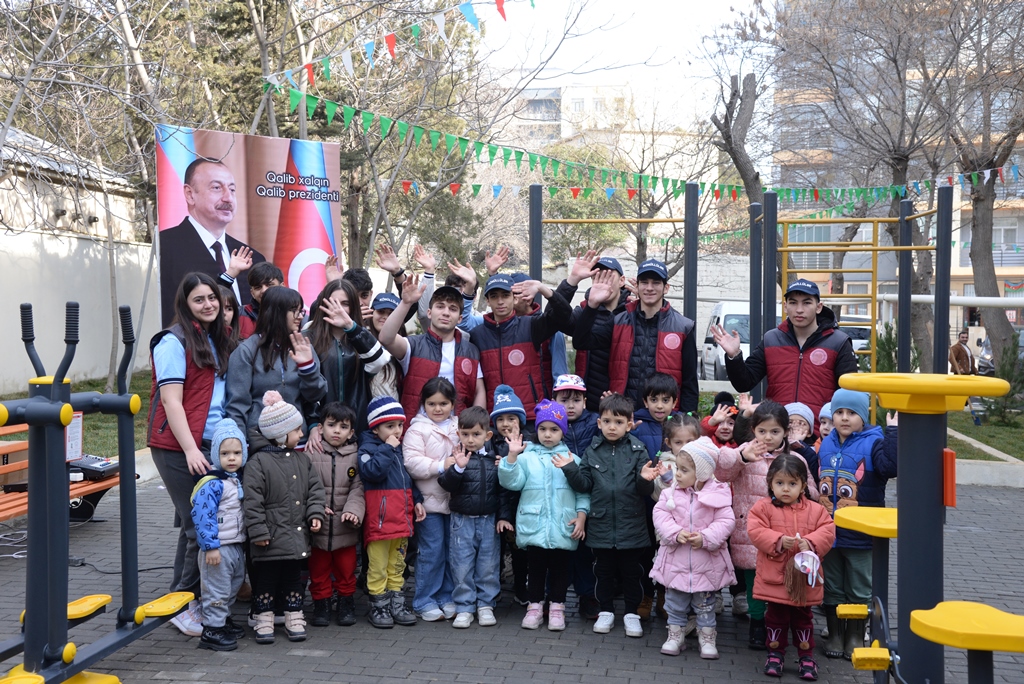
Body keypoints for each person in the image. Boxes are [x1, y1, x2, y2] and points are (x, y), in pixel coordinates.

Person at [148, 272, 236, 637]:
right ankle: (183, 604)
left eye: (212, 298)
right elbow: (171, 401)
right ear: (185, 305)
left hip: (208, 444)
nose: (208, 305)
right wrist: (188, 449)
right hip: (178, 447)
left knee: (197, 525)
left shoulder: (214, 337)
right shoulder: (172, 342)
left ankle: (190, 598)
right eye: (199, 300)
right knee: (197, 527)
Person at [556, 393, 659, 638]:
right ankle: (606, 611)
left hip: (631, 524)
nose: (612, 427)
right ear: (599, 423)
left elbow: (643, 490)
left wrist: (645, 479)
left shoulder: (638, 449)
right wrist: (570, 469)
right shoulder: (592, 451)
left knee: (631, 573)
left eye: (619, 422)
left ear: (629, 424)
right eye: (607, 421)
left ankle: (632, 614)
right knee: (602, 572)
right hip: (601, 525)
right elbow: (584, 485)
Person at [715, 400, 814, 650]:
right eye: (762, 431)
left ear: (785, 432)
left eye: (774, 431)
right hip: (751, 534)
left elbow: (811, 491)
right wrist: (741, 458)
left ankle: (780, 624)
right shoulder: (744, 451)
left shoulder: (796, 459)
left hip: (787, 535)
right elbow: (721, 473)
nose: (767, 437)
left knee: (782, 581)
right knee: (755, 583)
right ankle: (757, 624)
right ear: (753, 429)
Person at [817, 389, 898, 660]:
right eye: (839, 412)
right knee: (833, 586)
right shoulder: (827, 443)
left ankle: (855, 635)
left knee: (859, 587)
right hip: (830, 532)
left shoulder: (874, 443)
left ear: (863, 417)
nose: (844, 418)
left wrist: (893, 432)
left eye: (851, 413)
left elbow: (891, 467)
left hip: (861, 533)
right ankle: (835, 635)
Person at [713, 279, 858, 429]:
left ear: (819, 307)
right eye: (793, 303)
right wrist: (734, 356)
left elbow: (850, 394)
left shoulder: (838, 342)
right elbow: (744, 383)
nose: (799, 309)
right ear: (785, 306)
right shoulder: (771, 339)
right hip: (776, 432)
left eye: (807, 303)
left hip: (820, 433)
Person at [498, 399, 590, 631]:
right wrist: (511, 457)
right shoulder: (526, 458)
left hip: (563, 526)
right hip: (535, 525)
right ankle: (535, 607)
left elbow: (582, 492)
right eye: (542, 429)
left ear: (563, 431)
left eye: (554, 429)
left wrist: (581, 516)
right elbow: (512, 483)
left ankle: (558, 607)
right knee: (536, 569)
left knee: (561, 570)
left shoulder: (573, 459)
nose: (547, 434)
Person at [243, 391, 326, 644]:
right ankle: (264, 617)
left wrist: (315, 513)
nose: (301, 434)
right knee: (266, 579)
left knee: (293, 579)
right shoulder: (258, 463)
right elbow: (252, 501)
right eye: (296, 430)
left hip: (296, 536)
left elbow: (315, 490)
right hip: (268, 537)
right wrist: (257, 531)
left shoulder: (303, 460)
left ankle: (294, 614)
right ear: (281, 435)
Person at [747, 454, 836, 680]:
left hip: (804, 578)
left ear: (803, 486)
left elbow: (828, 530)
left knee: (803, 617)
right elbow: (755, 531)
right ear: (770, 483)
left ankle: (806, 655)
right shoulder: (763, 507)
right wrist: (777, 540)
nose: (786, 489)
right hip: (775, 578)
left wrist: (812, 542)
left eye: (792, 484)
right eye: (780, 483)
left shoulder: (816, 510)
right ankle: (775, 653)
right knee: (775, 616)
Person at [575, 260, 699, 413]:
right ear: (637, 286)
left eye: (656, 283)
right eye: (644, 282)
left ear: (666, 288)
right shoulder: (619, 321)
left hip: (664, 419)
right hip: (623, 416)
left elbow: (690, 382)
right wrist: (592, 304)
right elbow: (581, 342)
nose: (649, 288)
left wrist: (686, 418)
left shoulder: (683, 327)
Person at [651, 438, 735, 659]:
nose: (677, 474)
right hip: (676, 559)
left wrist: (706, 537)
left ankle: (707, 637)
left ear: (702, 473)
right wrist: (674, 533)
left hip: (706, 563)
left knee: (706, 604)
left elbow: (726, 521)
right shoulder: (670, 493)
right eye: (678, 468)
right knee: (675, 601)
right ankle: (675, 635)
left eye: (684, 470)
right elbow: (660, 514)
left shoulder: (718, 493)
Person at [160, 159, 266, 325]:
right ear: (189, 194)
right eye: (217, 188)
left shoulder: (253, 258)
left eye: (232, 189)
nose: (228, 198)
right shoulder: (164, 247)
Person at [357, 396, 426, 629]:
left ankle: (396, 602)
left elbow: (408, 479)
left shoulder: (397, 450)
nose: (397, 431)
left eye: (399, 425)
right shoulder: (368, 449)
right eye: (390, 426)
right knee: (377, 566)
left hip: (402, 519)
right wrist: (387, 448)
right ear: (375, 428)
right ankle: (379, 604)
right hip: (380, 521)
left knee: (398, 564)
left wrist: (416, 500)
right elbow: (372, 472)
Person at [379, 274, 486, 421]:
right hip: (416, 431)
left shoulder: (470, 350)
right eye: (440, 306)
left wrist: (476, 424)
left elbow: (478, 391)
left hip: (457, 432)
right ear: (429, 313)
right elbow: (386, 338)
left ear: (460, 318)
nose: (446, 313)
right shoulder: (413, 345)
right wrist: (406, 303)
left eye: (453, 309)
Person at [437, 406, 507, 629]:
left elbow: (503, 491)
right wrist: (457, 468)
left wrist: (503, 517)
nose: (470, 439)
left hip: (488, 520)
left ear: (487, 435)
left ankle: (485, 605)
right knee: (462, 565)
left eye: (476, 434)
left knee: (488, 564)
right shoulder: (456, 457)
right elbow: (445, 484)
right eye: (465, 434)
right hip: (462, 520)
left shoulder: (494, 460)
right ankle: (464, 607)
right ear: (458, 434)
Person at [225, 286, 327, 437]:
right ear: (276, 312)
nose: (300, 316)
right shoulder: (246, 351)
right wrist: (240, 443)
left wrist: (308, 369)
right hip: (260, 442)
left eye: (301, 311)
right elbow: (236, 407)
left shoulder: (304, 347)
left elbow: (315, 397)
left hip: (298, 439)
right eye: (294, 310)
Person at [472, 273, 573, 421]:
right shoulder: (477, 335)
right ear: (487, 300)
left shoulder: (531, 326)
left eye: (505, 295)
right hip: (496, 420)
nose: (500, 301)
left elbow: (564, 315)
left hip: (532, 417)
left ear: (514, 298)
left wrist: (542, 288)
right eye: (494, 296)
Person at [402, 378, 460, 622]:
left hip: (455, 502)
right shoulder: (417, 429)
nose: (438, 409)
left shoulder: (459, 426)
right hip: (429, 503)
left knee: (451, 551)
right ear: (423, 404)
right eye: (432, 403)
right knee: (431, 552)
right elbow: (412, 463)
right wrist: (440, 465)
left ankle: (446, 596)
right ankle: (424, 600)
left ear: (452, 404)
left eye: (443, 403)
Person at [190, 418, 249, 651]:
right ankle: (212, 629)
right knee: (216, 588)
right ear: (216, 455)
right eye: (225, 453)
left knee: (233, 584)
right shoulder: (212, 484)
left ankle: (222, 620)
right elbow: (203, 517)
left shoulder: (237, 481)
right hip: (218, 548)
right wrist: (210, 546)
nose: (232, 458)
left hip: (235, 545)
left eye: (237, 452)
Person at [304, 279, 391, 436]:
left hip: (356, 427)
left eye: (345, 303)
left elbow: (380, 360)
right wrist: (312, 424)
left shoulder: (362, 336)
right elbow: (304, 387)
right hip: (321, 428)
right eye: (334, 302)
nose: (339, 309)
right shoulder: (309, 336)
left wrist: (351, 327)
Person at [307, 402, 364, 628]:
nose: (337, 431)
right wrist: (316, 507)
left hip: (345, 528)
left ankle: (345, 603)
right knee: (318, 569)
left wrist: (352, 511)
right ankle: (320, 604)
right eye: (331, 425)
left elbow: (358, 489)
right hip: (318, 528)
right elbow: (307, 487)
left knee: (347, 569)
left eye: (343, 427)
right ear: (320, 428)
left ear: (351, 432)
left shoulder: (356, 456)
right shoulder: (311, 453)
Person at [550, 373, 600, 620]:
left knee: (586, 551)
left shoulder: (596, 422)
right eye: (563, 399)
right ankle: (552, 596)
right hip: (559, 495)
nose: (570, 405)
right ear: (553, 399)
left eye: (576, 400)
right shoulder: (548, 424)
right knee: (559, 549)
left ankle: (587, 595)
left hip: (589, 494)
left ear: (585, 401)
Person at [568, 256, 632, 413]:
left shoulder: (633, 312)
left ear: (622, 280)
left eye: (609, 276)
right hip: (589, 404)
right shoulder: (584, 310)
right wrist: (572, 281)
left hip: (625, 405)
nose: (603, 281)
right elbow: (554, 318)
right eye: (597, 276)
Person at [489, 385, 530, 606]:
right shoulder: (489, 443)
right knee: (495, 550)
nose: (505, 423)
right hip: (495, 505)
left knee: (519, 551)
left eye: (511, 418)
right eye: (500, 418)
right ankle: (493, 586)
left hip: (519, 507)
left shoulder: (529, 443)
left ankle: (521, 586)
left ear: (520, 420)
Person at [632, 373, 684, 462]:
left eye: (665, 400)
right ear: (646, 402)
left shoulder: (682, 424)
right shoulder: (637, 424)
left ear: (674, 402)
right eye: (654, 400)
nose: (659, 406)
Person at [365, 292, 404, 400]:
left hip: (391, 413)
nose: (385, 317)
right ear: (372, 312)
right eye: (381, 312)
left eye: (391, 314)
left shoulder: (405, 345)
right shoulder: (360, 339)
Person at [236, 262, 284, 339]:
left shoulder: (299, 316)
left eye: (269, 285)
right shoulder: (238, 314)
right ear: (252, 293)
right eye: (258, 287)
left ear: (282, 287)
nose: (264, 290)